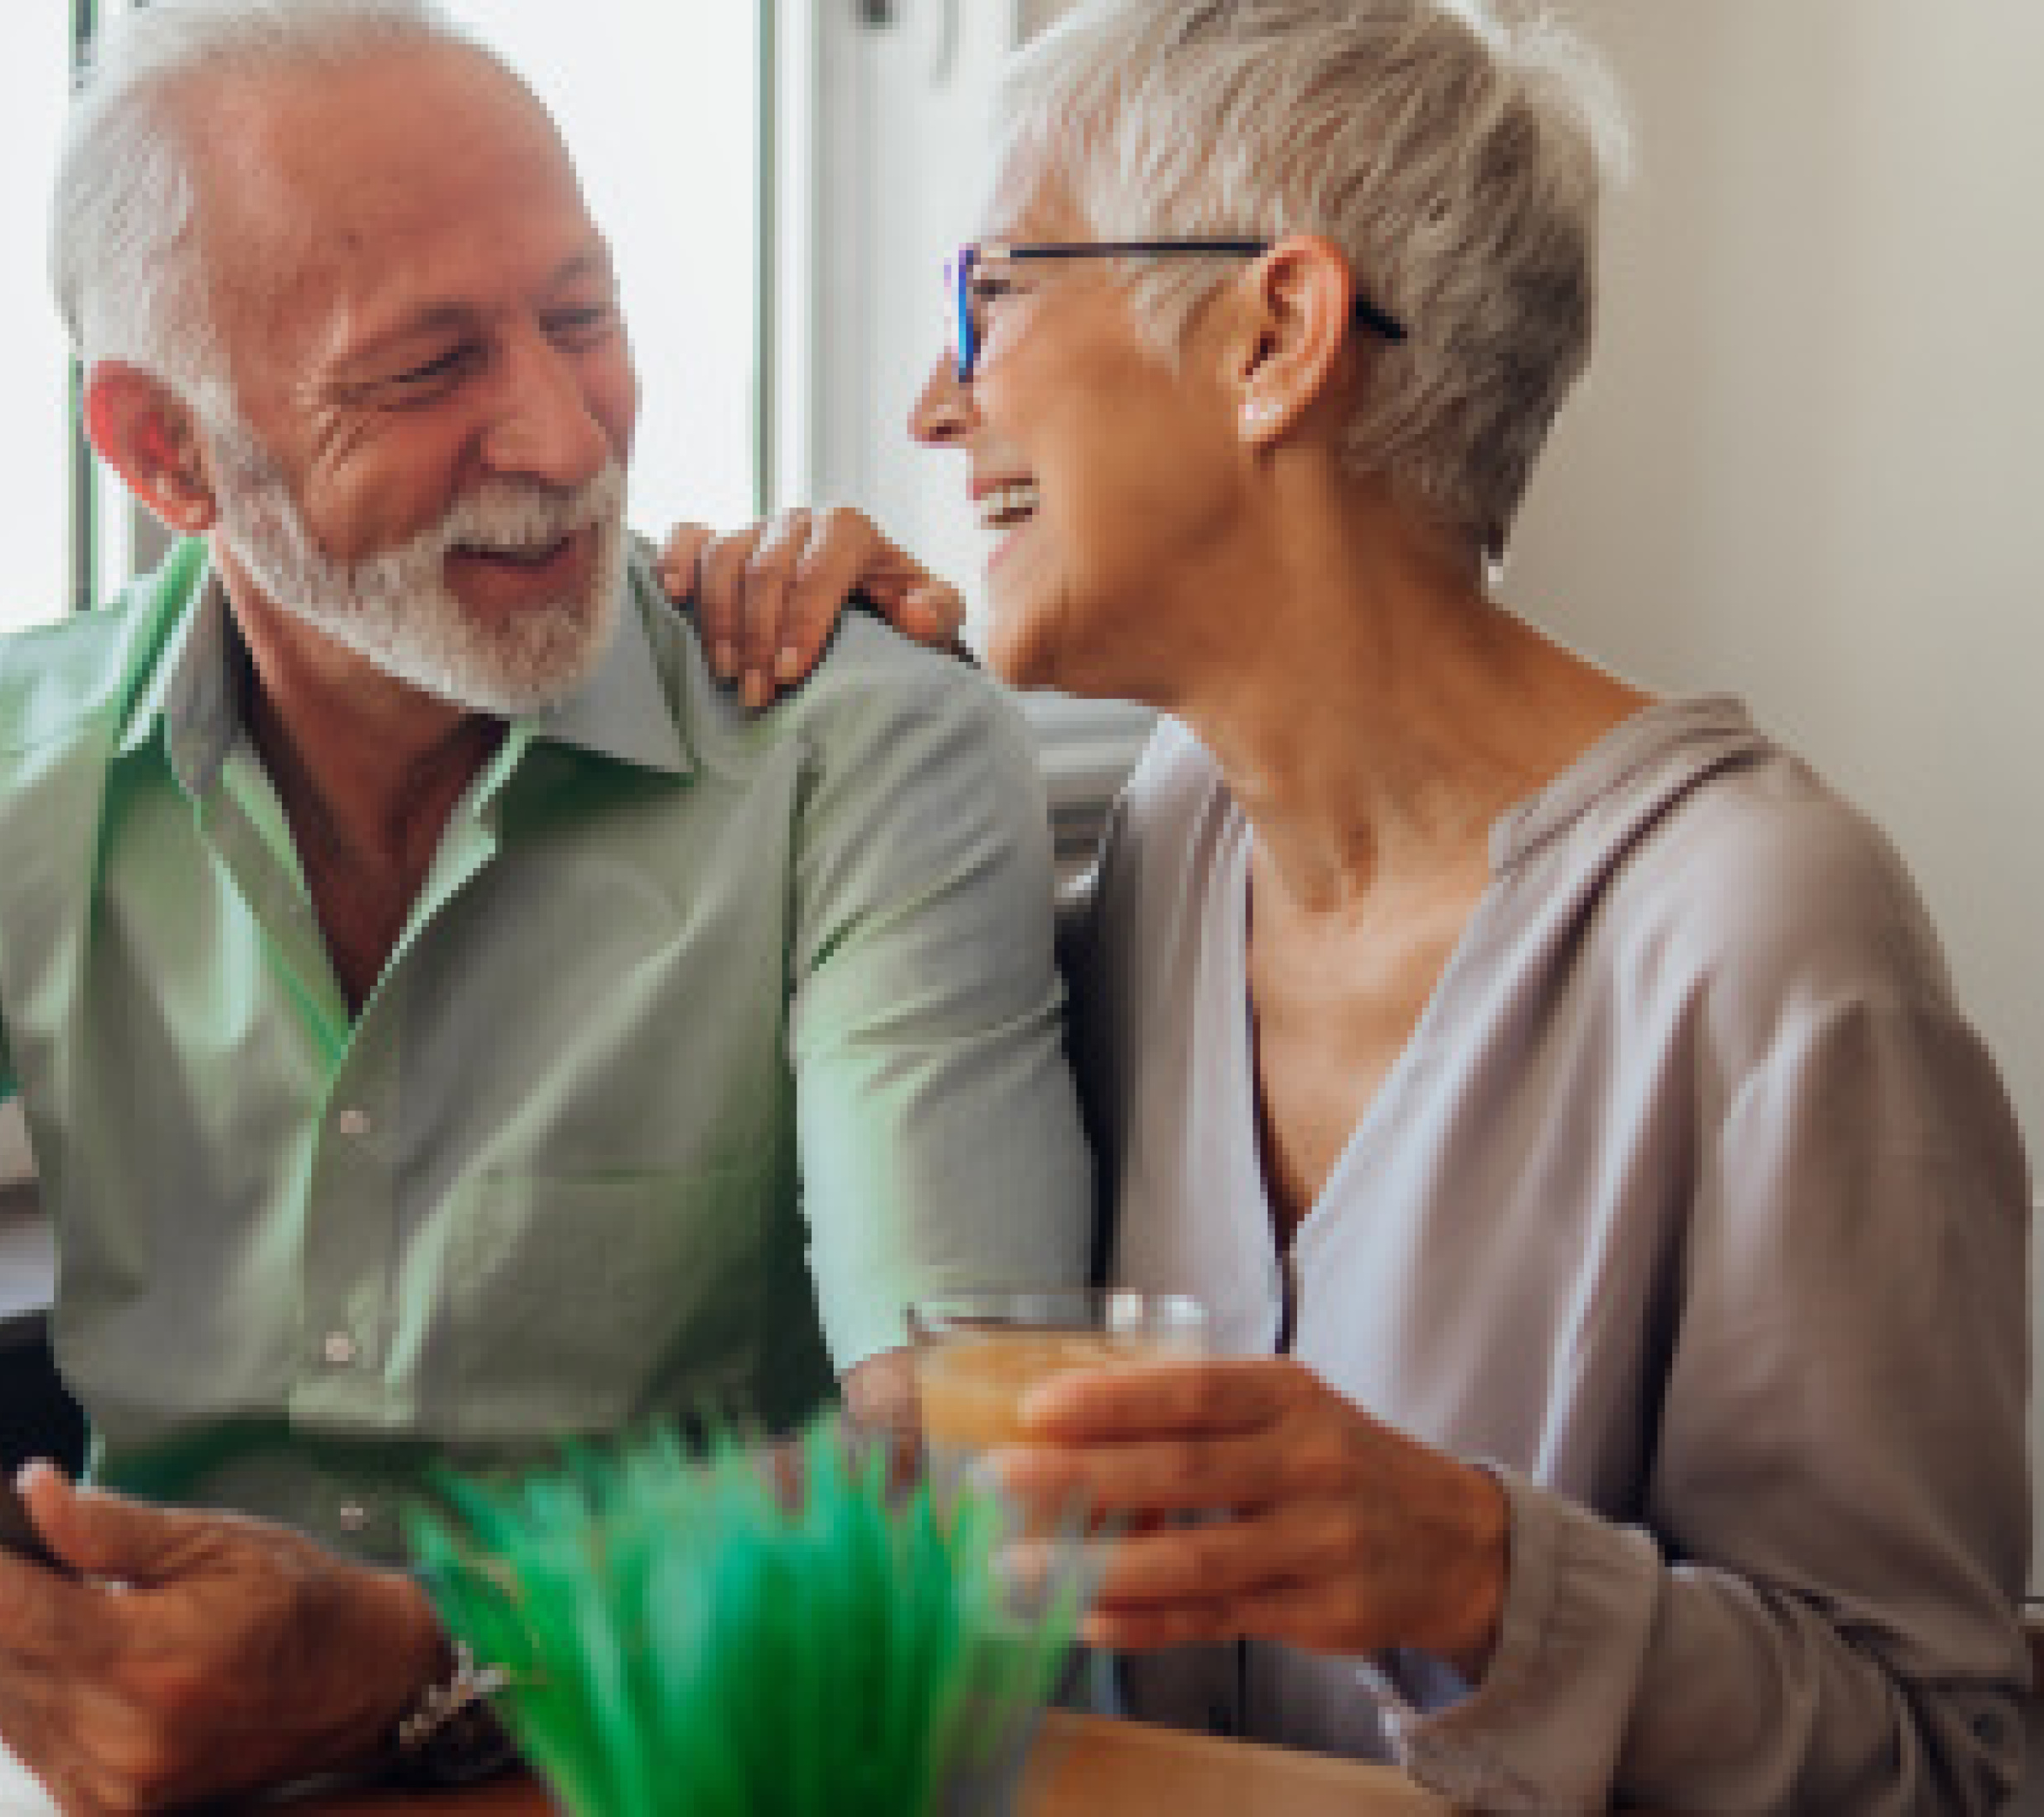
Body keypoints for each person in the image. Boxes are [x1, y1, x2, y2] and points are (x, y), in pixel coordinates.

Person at [0, 1, 1089, 1806]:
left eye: (583, 315)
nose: (557, 425)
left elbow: (970, 1462)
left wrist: (422, 1662)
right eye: (426, 368)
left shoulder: (858, 752)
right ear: (166, 455)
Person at [669, 0, 2033, 1809]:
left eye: (987, 296)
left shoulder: (1767, 938)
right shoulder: (1174, 845)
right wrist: (842, 694)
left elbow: (1945, 1762)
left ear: (1275, 334)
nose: (936, 401)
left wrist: (1476, 1570)